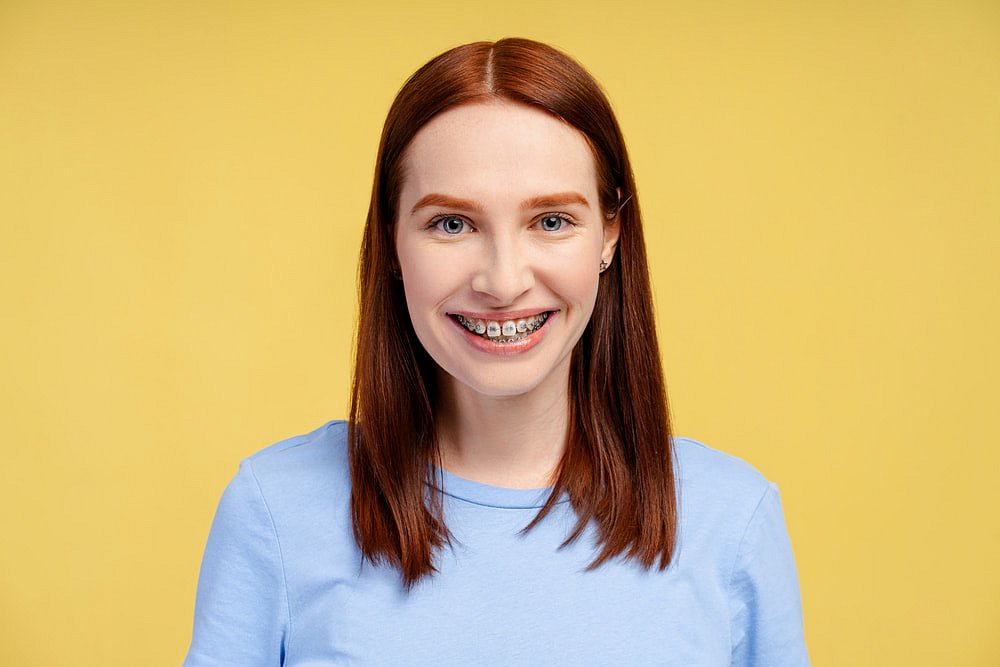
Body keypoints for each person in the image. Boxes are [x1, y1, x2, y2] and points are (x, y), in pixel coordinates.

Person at [183, 38, 809, 666]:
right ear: (393, 245)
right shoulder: (275, 511)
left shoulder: (731, 521)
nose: (504, 282)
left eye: (552, 220)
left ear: (609, 234)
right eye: (452, 224)